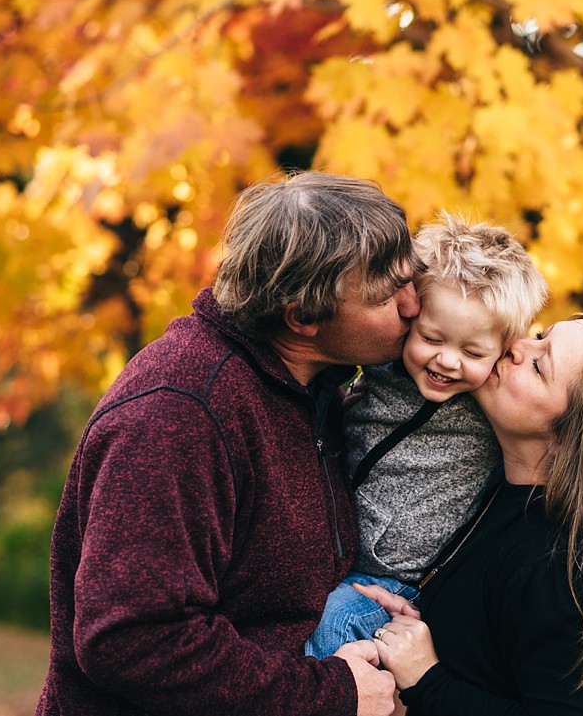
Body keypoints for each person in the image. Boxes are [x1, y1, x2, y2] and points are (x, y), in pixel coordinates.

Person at [35, 172, 419, 716]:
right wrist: (331, 694)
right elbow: (132, 639)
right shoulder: (179, 412)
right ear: (303, 316)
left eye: (412, 279)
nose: (412, 305)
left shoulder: (315, 391)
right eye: (387, 294)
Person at [358, 314, 583, 715]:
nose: (517, 345)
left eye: (540, 366)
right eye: (540, 335)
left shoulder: (562, 571)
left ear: (568, 439)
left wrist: (427, 678)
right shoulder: (502, 491)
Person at [305, 213, 547, 658]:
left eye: (472, 351)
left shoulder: (489, 409)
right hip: (332, 552)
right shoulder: (378, 368)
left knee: (332, 622)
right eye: (432, 338)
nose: (448, 361)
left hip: (402, 583)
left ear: (503, 350)